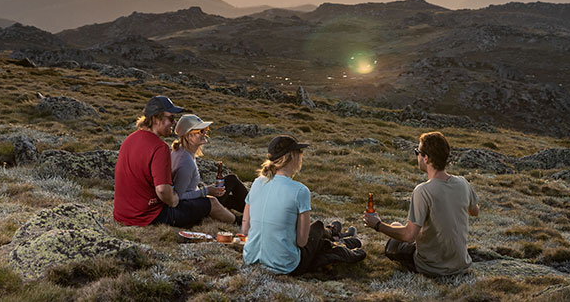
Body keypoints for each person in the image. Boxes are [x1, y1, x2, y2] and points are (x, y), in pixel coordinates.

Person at [242, 135, 365, 275]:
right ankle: (343, 244)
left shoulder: (257, 183)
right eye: (299, 152)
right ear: (291, 157)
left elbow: (245, 229)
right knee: (317, 227)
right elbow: (301, 242)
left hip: (251, 258)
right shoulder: (300, 190)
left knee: (315, 233)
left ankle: (340, 238)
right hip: (286, 265)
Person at [363, 131, 479, 277]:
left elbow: (409, 236)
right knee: (397, 225)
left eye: (417, 152)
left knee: (394, 241)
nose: (417, 156)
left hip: (432, 268)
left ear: (426, 158)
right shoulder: (463, 183)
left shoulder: (423, 191)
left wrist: (377, 225)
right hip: (461, 264)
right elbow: (475, 211)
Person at [113, 95, 183, 226]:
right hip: (148, 217)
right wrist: (173, 200)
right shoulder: (160, 147)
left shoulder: (130, 139)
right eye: (171, 118)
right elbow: (162, 190)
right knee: (208, 204)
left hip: (122, 216)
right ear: (155, 119)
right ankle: (227, 227)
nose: (174, 122)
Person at [171, 114, 248, 225]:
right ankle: (244, 219)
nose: (205, 133)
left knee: (230, 198)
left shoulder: (181, 152)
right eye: (201, 131)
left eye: (206, 129)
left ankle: (253, 212)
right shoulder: (186, 162)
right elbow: (179, 196)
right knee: (231, 180)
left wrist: (206, 190)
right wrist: (206, 191)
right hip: (194, 206)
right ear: (188, 136)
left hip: (196, 199)